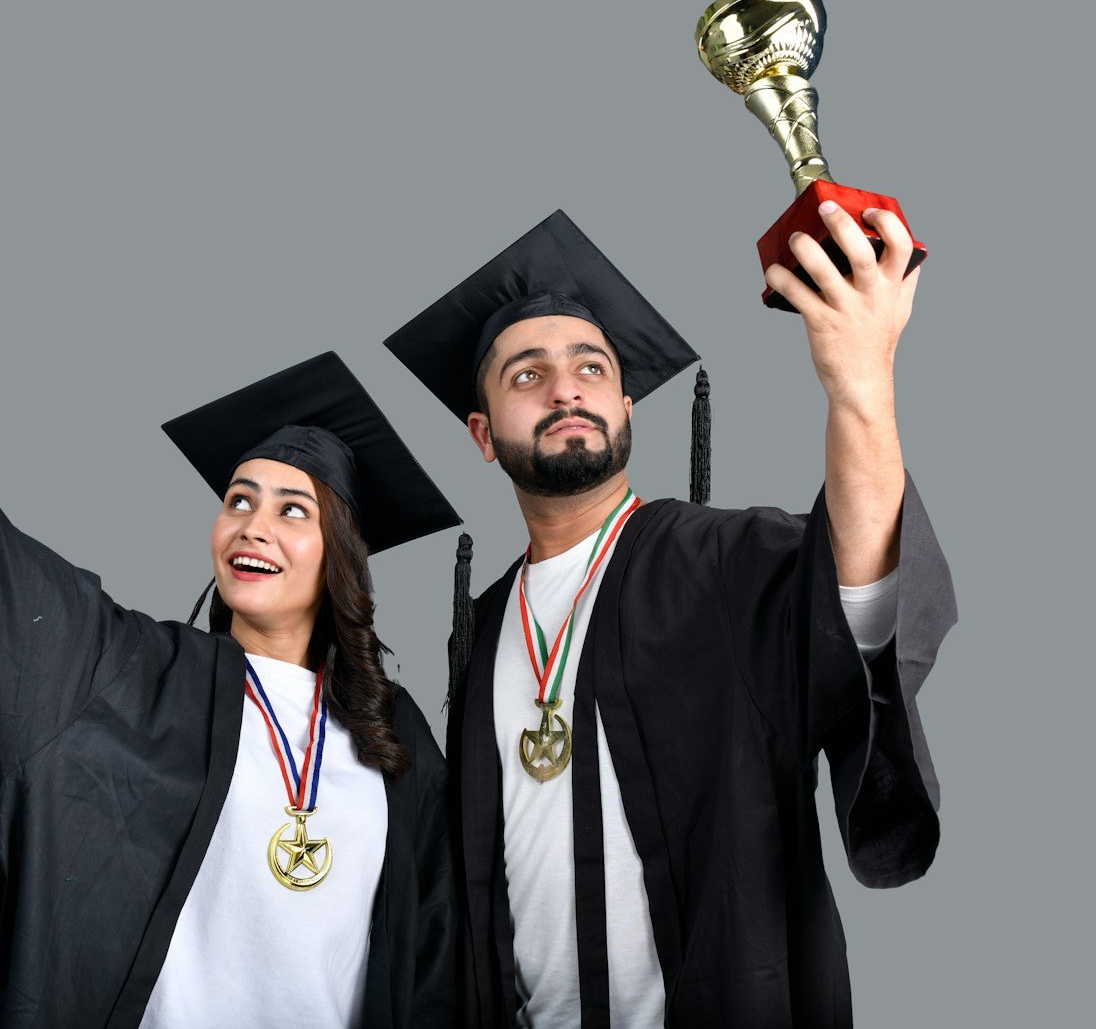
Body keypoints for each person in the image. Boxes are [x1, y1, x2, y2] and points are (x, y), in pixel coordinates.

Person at [0, 271, 461, 1028]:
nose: (253, 525)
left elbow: (439, 956)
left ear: (338, 553)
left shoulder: (394, 734)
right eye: (238, 500)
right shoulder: (139, 676)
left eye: (292, 509)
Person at [385, 205, 956, 1027]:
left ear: (627, 408)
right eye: (524, 375)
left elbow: (859, 606)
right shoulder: (479, 627)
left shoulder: (723, 561)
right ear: (482, 434)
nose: (564, 388)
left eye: (591, 366)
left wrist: (859, 389)